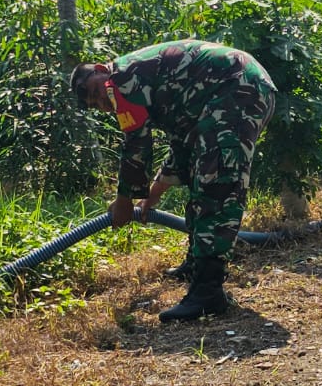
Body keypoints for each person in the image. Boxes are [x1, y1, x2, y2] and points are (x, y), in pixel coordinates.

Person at [70, 39, 276, 323]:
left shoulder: (122, 77)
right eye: (97, 105)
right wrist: (153, 194)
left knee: (217, 184)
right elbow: (180, 146)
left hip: (237, 89)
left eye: (96, 91)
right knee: (198, 171)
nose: (104, 102)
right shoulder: (148, 87)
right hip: (228, 92)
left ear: (101, 69)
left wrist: (124, 200)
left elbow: (137, 144)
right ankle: (196, 265)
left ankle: (208, 291)